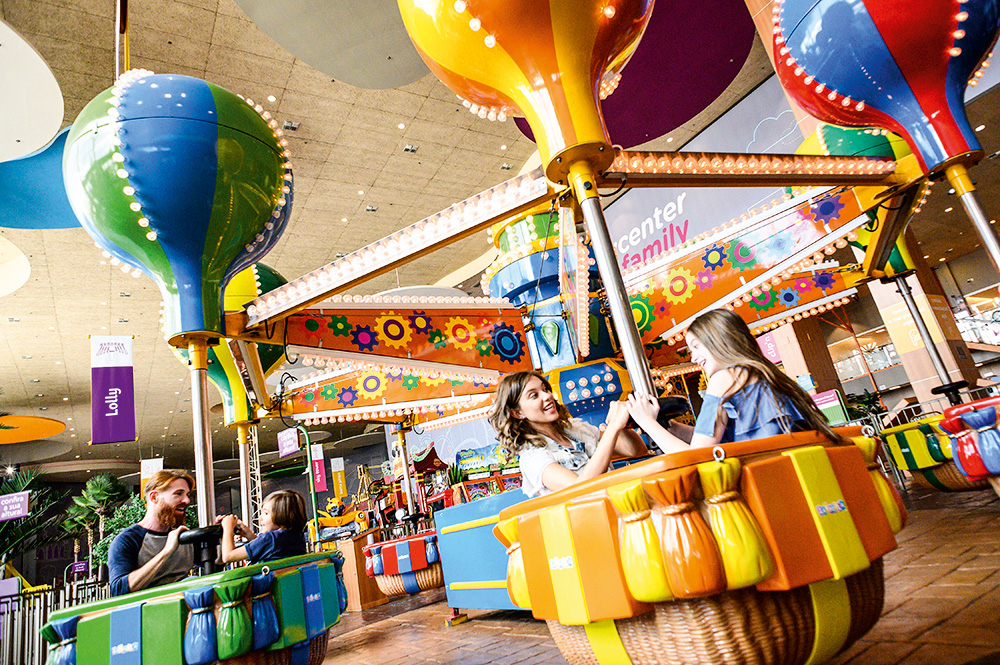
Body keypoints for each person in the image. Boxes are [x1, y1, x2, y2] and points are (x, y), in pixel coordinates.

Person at [628, 308, 847, 451]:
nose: (694, 358)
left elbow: (699, 455)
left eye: (696, 347)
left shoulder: (725, 377)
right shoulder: (764, 373)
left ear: (718, 341)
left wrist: (646, 422)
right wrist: (671, 427)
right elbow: (729, 439)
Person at [489, 370, 647, 497]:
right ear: (518, 413)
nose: (547, 396)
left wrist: (621, 424)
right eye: (534, 395)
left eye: (545, 389)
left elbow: (636, 450)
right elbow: (582, 488)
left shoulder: (576, 428)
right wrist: (612, 427)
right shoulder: (533, 457)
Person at [108, 470, 195, 597]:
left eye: (187, 494)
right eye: (178, 494)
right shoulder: (127, 540)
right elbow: (118, 590)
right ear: (154, 497)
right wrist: (166, 551)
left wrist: (223, 533)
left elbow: (214, 565)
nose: (187, 500)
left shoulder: (183, 535)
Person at [220, 490, 307, 564]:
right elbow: (268, 547)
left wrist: (228, 528)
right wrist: (249, 535)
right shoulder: (297, 537)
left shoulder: (270, 539)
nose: (260, 518)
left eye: (266, 513)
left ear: (282, 516)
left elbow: (228, 556)